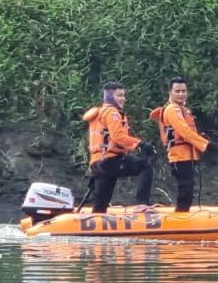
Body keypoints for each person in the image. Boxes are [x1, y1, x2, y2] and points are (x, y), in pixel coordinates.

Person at [83, 82, 155, 213]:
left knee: (100, 206)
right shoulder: (112, 113)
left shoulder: (99, 113)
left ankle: (96, 221)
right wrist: (141, 144)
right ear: (110, 97)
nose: (124, 99)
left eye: (123, 95)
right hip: (109, 160)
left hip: (97, 164)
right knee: (145, 166)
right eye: (119, 95)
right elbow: (117, 136)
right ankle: (142, 204)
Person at [150, 77, 210, 213]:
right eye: (177, 91)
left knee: (188, 188)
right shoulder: (172, 109)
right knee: (185, 187)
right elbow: (184, 131)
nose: (181, 94)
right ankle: (180, 216)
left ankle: (183, 213)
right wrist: (204, 145)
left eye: (184, 91)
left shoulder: (182, 109)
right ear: (170, 92)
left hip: (187, 155)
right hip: (179, 155)